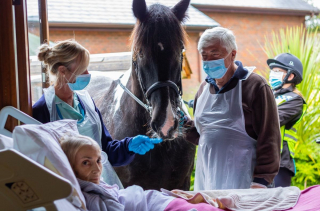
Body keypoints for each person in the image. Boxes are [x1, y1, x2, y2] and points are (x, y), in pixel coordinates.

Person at [32, 40, 162, 168]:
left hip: (98, 181)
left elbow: (106, 150)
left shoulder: (86, 103)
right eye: (82, 70)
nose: (88, 74)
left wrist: (128, 146)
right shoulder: (42, 111)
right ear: (62, 71)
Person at [183, 27, 281, 190]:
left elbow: (269, 136)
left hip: (245, 182)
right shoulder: (203, 89)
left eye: (215, 54)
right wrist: (183, 126)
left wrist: (261, 181)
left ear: (232, 54)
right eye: (204, 56)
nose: (208, 61)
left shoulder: (255, 86)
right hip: (207, 181)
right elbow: (205, 135)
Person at [59, 134, 220, 211]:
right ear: (70, 166)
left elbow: (108, 146)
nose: (96, 169)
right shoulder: (88, 196)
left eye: (99, 160)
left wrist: (128, 145)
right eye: (86, 163)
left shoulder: (95, 184)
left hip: (152, 200)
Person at [267, 53, 307, 187]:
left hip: (280, 162)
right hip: (260, 158)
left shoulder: (294, 100)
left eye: (277, 71)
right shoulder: (268, 95)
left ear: (291, 76)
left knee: (277, 204)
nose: (273, 74)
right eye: (272, 71)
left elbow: (270, 120)